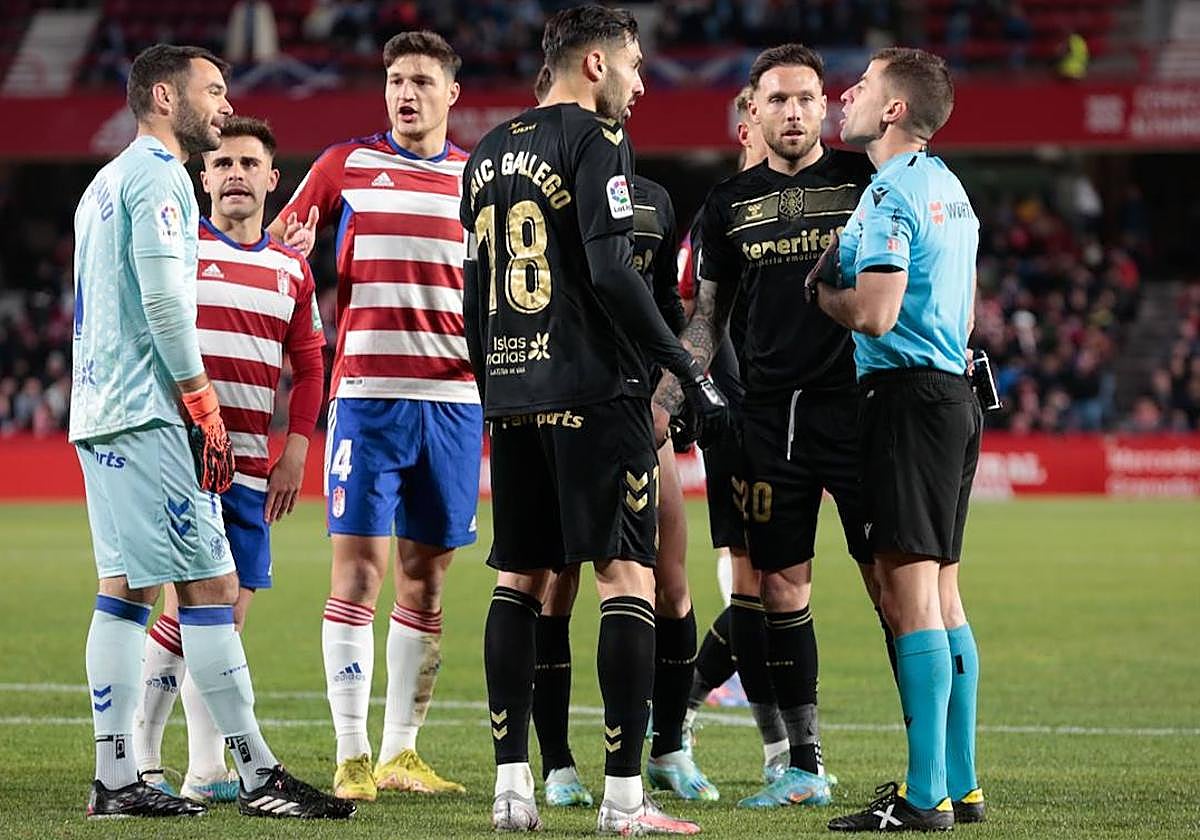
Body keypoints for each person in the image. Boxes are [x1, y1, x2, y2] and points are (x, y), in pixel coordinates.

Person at [461, 5, 727, 834]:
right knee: (625, 579)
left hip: (511, 395)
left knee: (521, 579)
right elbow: (615, 275)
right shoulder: (597, 141)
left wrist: (496, 385)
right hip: (591, 390)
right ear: (595, 66)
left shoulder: (484, 153)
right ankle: (622, 800)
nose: (642, 83)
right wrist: (683, 366)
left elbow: (473, 294)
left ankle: (512, 787)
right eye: (636, 66)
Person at [71, 44, 351, 820]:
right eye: (214, 92)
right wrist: (204, 409)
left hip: (100, 410)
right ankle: (256, 777)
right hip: (154, 415)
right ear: (166, 97)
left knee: (128, 594)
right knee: (212, 589)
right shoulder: (160, 176)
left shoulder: (103, 183)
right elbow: (164, 302)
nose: (224, 106)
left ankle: (118, 776)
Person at [655, 43, 890, 810]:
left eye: (806, 98)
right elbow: (705, 321)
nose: (793, 112)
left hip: (859, 410)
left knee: (894, 587)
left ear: (826, 106)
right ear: (752, 111)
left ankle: (934, 769)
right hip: (763, 419)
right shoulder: (725, 204)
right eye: (778, 100)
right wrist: (671, 394)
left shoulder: (867, 183)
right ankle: (802, 764)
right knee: (778, 588)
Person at [267, 31, 480, 802]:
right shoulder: (342, 165)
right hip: (366, 401)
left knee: (426, 580)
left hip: (455, 403)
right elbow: (284, 249)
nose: (406, 93)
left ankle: (401, 752)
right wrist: (292, 244)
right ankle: (352, 755)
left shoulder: (476, 179)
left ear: (451, 94)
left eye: (422, 80)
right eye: (395, 80)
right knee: (359, 571)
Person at [524, 64, 718, 810]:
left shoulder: (658, 203)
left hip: (640, 411)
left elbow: (669, 308)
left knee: (669, 580)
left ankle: (667, 745)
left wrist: (673, 396)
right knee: (554, 585)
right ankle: (559, 764)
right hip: (565, 401)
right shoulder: (544, 186)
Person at [810, 47, 983, 832]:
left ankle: (922, 798)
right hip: (952, 395)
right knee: (943, 595)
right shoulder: (951, 189)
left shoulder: (886, 192)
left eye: (862, 86)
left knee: (909, 599)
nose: (845, 95)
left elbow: (874, 313)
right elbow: (970, 316)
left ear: (892, 111)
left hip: (904, 401)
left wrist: (825, 293)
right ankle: (962, 783)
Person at [133, 115, 326, 804]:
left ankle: (205, 769)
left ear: (274, 179)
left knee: (227, 616)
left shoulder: (290, 269)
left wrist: (296, 448)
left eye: (249, 163)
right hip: (182, 459)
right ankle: (150, 764)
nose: (235, 173)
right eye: (222, 163)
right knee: (197, 611)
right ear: (203, 177)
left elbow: (309, 365)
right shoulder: (179, 251)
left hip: (251, 467)